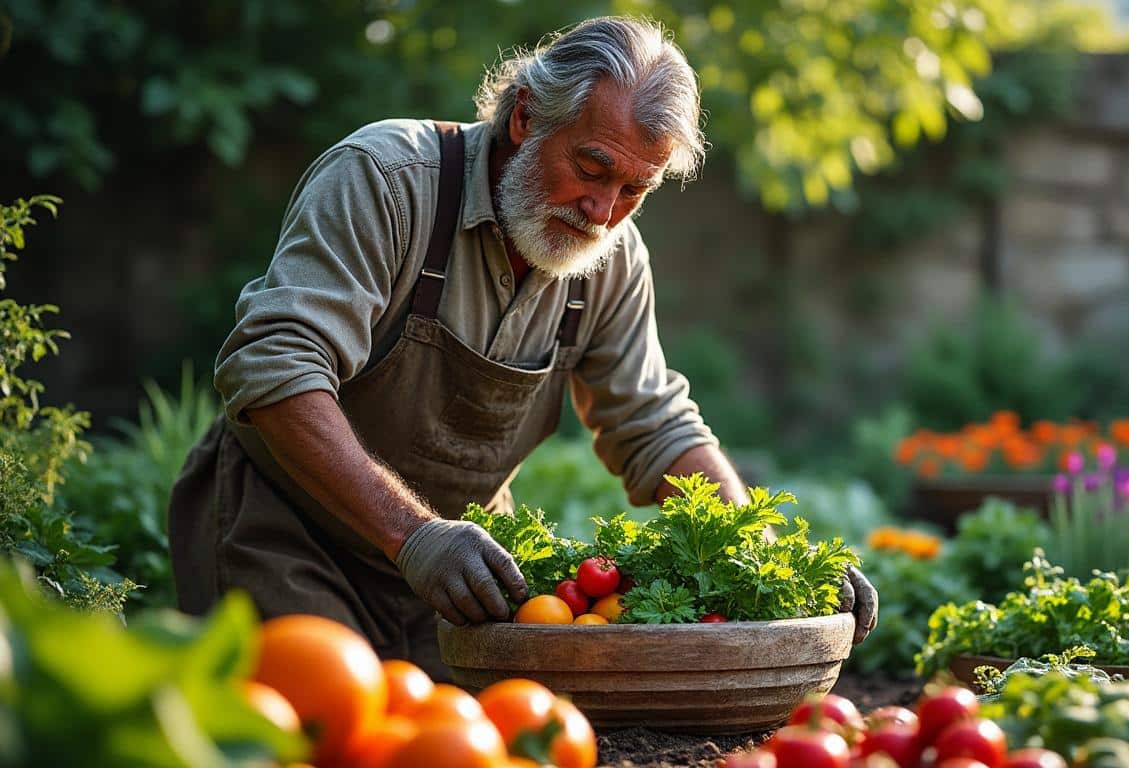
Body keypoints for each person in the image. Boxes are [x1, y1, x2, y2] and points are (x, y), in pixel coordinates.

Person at [168, 16, 876, 680]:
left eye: (637, 188)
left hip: (458, 573)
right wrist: (412, 536)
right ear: (526, 116)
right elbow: (276, 369)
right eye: (593, 168)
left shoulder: (611, 258)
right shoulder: (387, 180)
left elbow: (655, 427)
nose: (604, 212)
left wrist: (772, 559)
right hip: (286, 534)